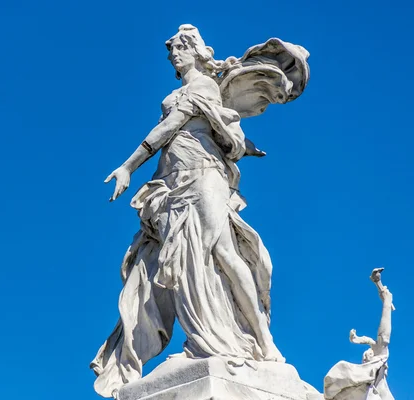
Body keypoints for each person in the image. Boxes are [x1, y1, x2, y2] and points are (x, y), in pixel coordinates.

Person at [91, 24, 310, 398]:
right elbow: (208, 127)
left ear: (197, 51)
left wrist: (129, 165)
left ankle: (263, 340)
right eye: (172, 51)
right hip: (170, 180)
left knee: (220, 251)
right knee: (183, 263)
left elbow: (174, 126)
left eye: (181, 48)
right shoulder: (183, 92)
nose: (175, 55)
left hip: (203, 176)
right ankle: (204, 338)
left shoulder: (204, 87)